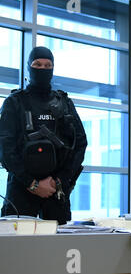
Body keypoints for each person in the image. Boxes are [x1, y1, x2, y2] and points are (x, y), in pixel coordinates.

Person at [0, 46, 87, 225]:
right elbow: (4, 148)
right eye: (37, 64)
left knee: (58, 250)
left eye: (48, 65)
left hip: (56, 190)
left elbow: (80, 143)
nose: (42, 69)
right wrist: (31, 183)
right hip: (21, 190)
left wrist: (60, 180)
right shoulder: (15, 103)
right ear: (28, 67)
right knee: (18, 250)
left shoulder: (64, 103)